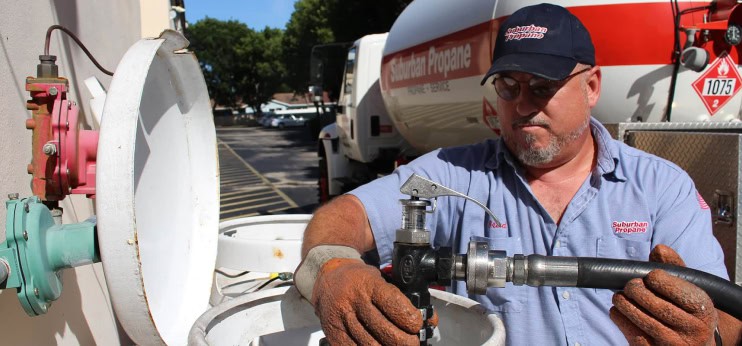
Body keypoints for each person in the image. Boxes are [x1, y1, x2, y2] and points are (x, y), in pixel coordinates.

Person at [295, 3, 742, 345]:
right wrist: (332, 266)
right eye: (509, 86)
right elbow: (345, 214)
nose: (523, 103)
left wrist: (708, 333)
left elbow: (726, 311)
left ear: (591, 87)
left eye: (543, 86)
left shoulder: (661, 186)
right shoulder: (454, 175)